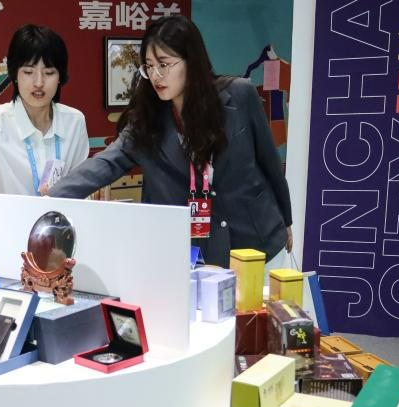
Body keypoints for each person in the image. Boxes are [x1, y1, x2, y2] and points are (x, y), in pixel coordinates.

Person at [49, 15, 293, 266]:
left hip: (260, 243)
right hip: (199, 255)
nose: (156, 75)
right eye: (149, 66)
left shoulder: (239, 95)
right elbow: (105, 163)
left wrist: (287, 221)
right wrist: (49, 200)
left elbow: (270, 164)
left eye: (164, 65)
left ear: (191, 61)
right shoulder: (146, 121)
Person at [0, 25, 89, 196]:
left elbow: (80, 185)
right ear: (15, 75)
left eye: (48, 72)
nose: (38, 83)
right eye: (28, 72)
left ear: (60, 77)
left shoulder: (74, 122)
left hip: (61, 214)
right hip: (10, 215)